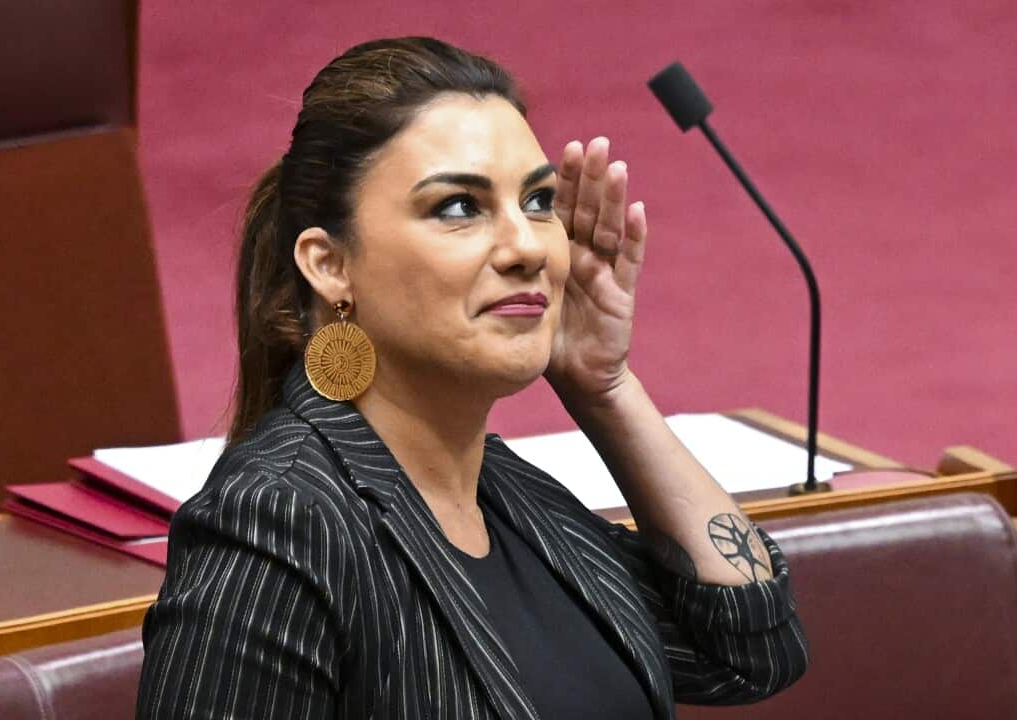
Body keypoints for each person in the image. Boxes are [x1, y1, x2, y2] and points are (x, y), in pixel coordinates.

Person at [136, 36, 807, 720]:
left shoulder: (510, 491)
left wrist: (605, 388)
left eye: (539, 202)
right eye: (460, 207)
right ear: (330, 264)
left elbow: (748, 649)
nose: (525, 248)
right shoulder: (279, 522)